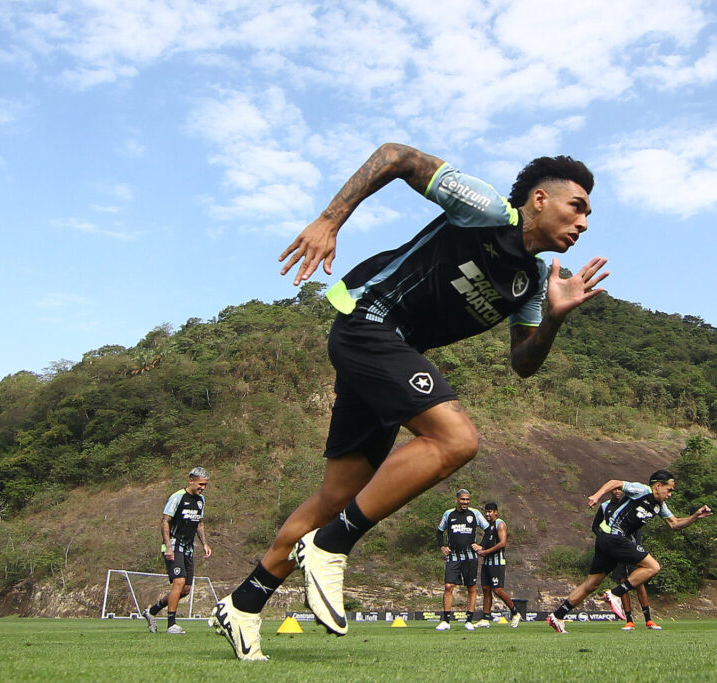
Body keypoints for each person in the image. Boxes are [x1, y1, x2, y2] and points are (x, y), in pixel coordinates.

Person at [210, 142, 607, 661]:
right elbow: (396, 156)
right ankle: (330, 545)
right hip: (368, 320)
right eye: (577, 207)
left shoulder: (532, 282)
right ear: (539, 199)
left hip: (389, 355)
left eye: (587, 215)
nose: (583, 223)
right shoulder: (487, 209)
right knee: (456, 439)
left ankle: (243, 604)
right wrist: (329, 221)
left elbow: (523, 362)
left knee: (336, 497)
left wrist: (552, 318)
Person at [546, 470, 712, 634]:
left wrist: (695, 516)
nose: (670, 494)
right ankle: (615, 594)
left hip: (607, 540)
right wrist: (597, 496)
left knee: (592, 584)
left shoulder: (660, 505)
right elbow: (614, 483)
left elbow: (674, 524)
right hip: (614, 536)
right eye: (669, 490)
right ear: (658, 485)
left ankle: (557, 616)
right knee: (653, 567)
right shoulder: (642, 490)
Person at [142, 467, 211, 634]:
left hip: (188, 548)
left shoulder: (201, 500)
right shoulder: (177, 497)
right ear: (191, 481)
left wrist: (205, 544)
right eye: (200, 484)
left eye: (205, 485)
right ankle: (171, 625)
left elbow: (199, 523)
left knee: (185, 589)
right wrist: (168, 547)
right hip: (174, 546)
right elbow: (165, 521)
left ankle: (152, 611)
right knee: (178, 582)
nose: (203, 488)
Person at [597, 488, 660, 631]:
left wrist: (637, 546)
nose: (617, 492)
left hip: (631, 549)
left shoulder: (630, 504)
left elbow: (637, 527)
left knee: (639, 582)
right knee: (622, 581)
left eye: (620, 489)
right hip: (616, 548)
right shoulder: (605, 506)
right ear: (611, 492)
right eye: (615, 490)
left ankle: (648, 620)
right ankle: (629, 620)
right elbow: (596, 526)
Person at [434, 489, 489, 631]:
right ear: (457, 499)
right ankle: (446, 621)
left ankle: (469, 620)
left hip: (470, 557)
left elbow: (489, 530)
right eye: (463, 499)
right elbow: (439, 532)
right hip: (453, 556)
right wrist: (442, 547)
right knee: (448, 586)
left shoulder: (475, 513)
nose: (465, 502)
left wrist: (481, 545)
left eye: (467, 499)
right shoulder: (448, 514)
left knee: (471, 588)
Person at [476, 501, 522, 628]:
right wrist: (479, 548)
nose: (487, 514)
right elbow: (486, 544)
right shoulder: (488, 527)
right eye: (486, 512)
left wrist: (486, 552)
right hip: (486, 562)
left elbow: (502, 543)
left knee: (497, 589)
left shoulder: (500, 524)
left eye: (490, 512)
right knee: (486, 589)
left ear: (495, 512)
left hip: (497, 562)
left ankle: (515, 613)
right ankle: (485, 619)